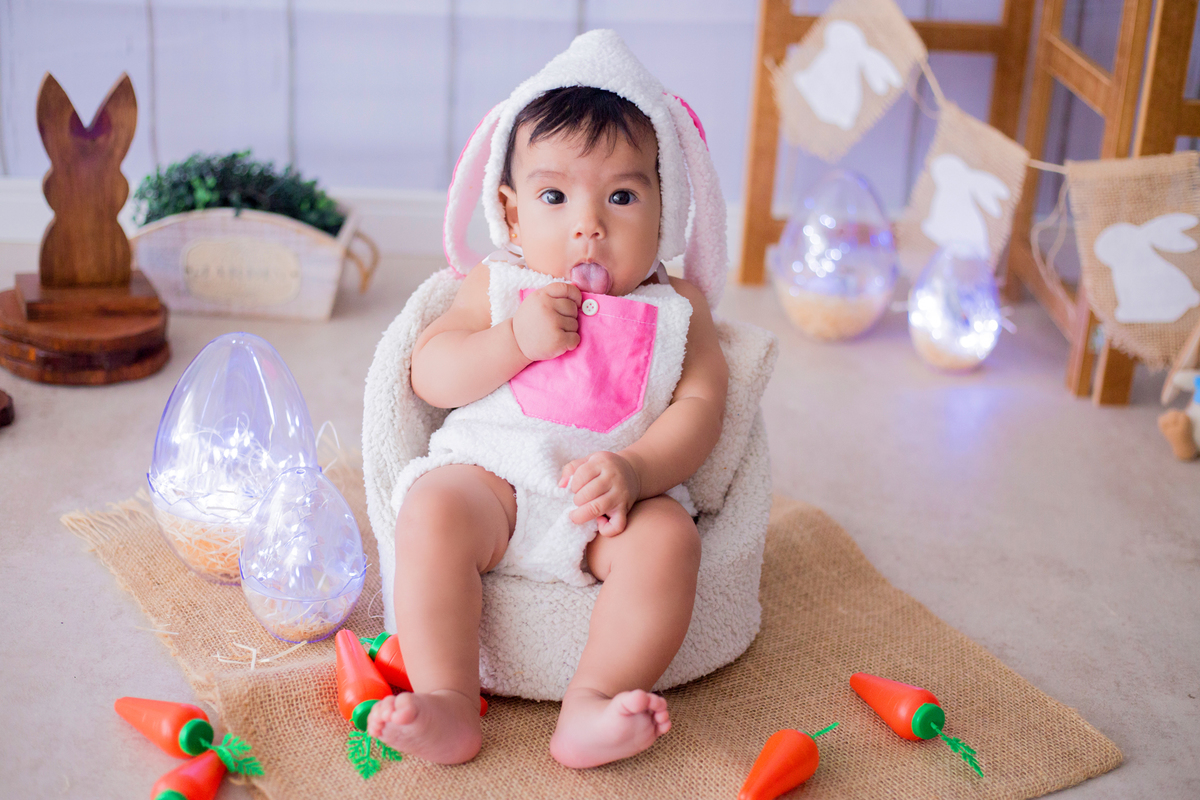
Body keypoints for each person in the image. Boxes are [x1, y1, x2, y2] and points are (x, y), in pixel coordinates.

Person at [366, 31, 728, 769]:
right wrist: (513, 341)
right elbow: (429, 373)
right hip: (492, 487)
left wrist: (634, 470)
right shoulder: (499, 285)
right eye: (555, 196)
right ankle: (446, 700)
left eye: (622, 195)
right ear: (511, 210)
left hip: (610, 507)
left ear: (668, 206)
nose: (587, 224)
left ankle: (593, 701)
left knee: (670, 543)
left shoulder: (677, 307)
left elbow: (701, 409)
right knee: (430, 509)